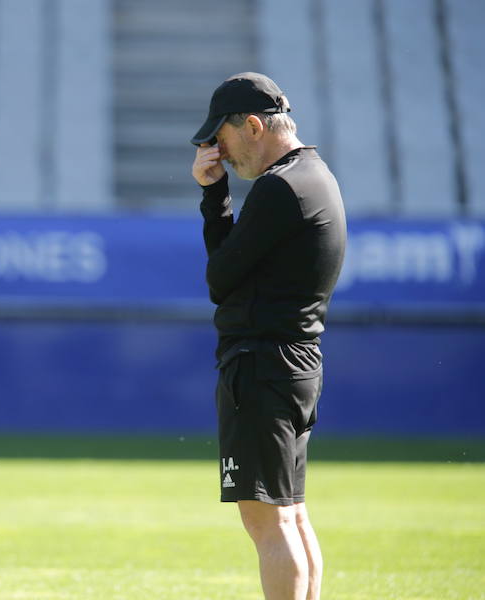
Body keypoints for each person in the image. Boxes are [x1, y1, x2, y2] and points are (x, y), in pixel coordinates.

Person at [190, 72, 346, 600]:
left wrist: (214, 198)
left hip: (262, 367)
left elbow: (220, 279)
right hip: (296, 365)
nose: (220, 151)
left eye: (222, 137)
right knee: (292, 517)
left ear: (253, 125)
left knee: (269, 524)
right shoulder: (315, 176)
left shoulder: (280, 186)